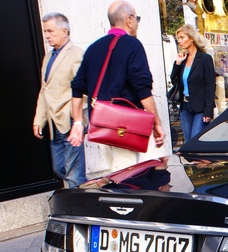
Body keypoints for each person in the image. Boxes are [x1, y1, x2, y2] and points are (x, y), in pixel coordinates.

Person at [68, 1, 165, 172]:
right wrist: (156, 123)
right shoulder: (133, 45)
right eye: (137, 19)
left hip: (100, 124)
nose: (137, 23)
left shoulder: (93, 48)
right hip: (124, 126)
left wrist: (77, 122)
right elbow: (142, 89)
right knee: (126, 179)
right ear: (129, 20)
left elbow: (77, 87)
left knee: (116, 171)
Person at [32, 13, 86, 188]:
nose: (46, 35)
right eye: (45, 31)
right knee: (60, 168)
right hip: (54, 124)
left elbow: (85, 89)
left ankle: (80, 210)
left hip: (69, 121)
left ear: (64, 31)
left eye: (50, 31)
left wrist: (75, 117)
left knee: (74, 173)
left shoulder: (77, 54)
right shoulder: (48, 57)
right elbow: (44, 90)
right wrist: (39, 119)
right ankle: (81, 196)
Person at [170, 24, 216, 141]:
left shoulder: (205, 59)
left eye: (182, 37)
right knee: (188, 142)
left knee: (196, 140)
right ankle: (193, 160)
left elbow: (210, 85)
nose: (179, 41)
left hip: (200, 108)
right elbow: (174, 80)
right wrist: (178, 63)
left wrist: (208, 110)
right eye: (178, 38)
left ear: (191, 38)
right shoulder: (183, 60)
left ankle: (204, 159)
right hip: (185, 107)